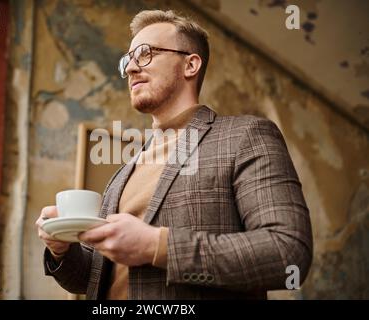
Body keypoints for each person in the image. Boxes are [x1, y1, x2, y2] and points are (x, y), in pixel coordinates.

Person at [35, 9, 313, 300]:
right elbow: (91, 279)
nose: (130, 68)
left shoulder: (245, 136)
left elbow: (288, 253)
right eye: (127, 60)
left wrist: (157, 246)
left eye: (145, 53)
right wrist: (61, 250)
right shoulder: (124, 171)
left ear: (190, 65)